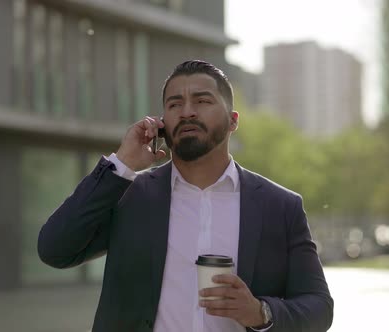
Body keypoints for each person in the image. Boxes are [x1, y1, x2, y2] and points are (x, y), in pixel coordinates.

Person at [38, 60, 333, 332]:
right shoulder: (130, 195)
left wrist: (260, 312)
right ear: (162, 121)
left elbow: (319, 307)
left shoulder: (280, 206)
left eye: (202, 101)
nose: (187, 111)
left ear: (232, 121)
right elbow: (55, 249)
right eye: (175, 103)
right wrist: (121, 164)